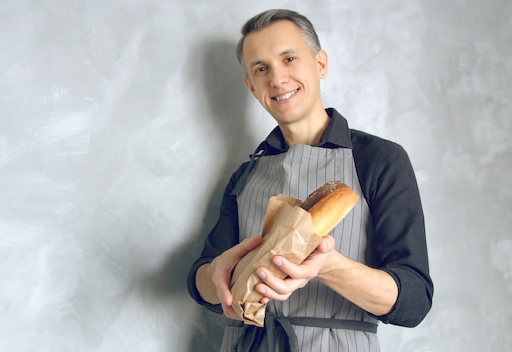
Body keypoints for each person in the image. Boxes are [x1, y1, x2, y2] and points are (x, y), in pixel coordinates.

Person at [186, 9, 434, 352]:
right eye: (261, 69)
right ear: (251, 86)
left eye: (289, 58)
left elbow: (414, 300)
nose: (277, 78)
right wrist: (215, 276)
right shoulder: (246, 175)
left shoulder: (378, 160)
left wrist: (328, 267)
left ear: (320, 64)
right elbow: (199, 281)